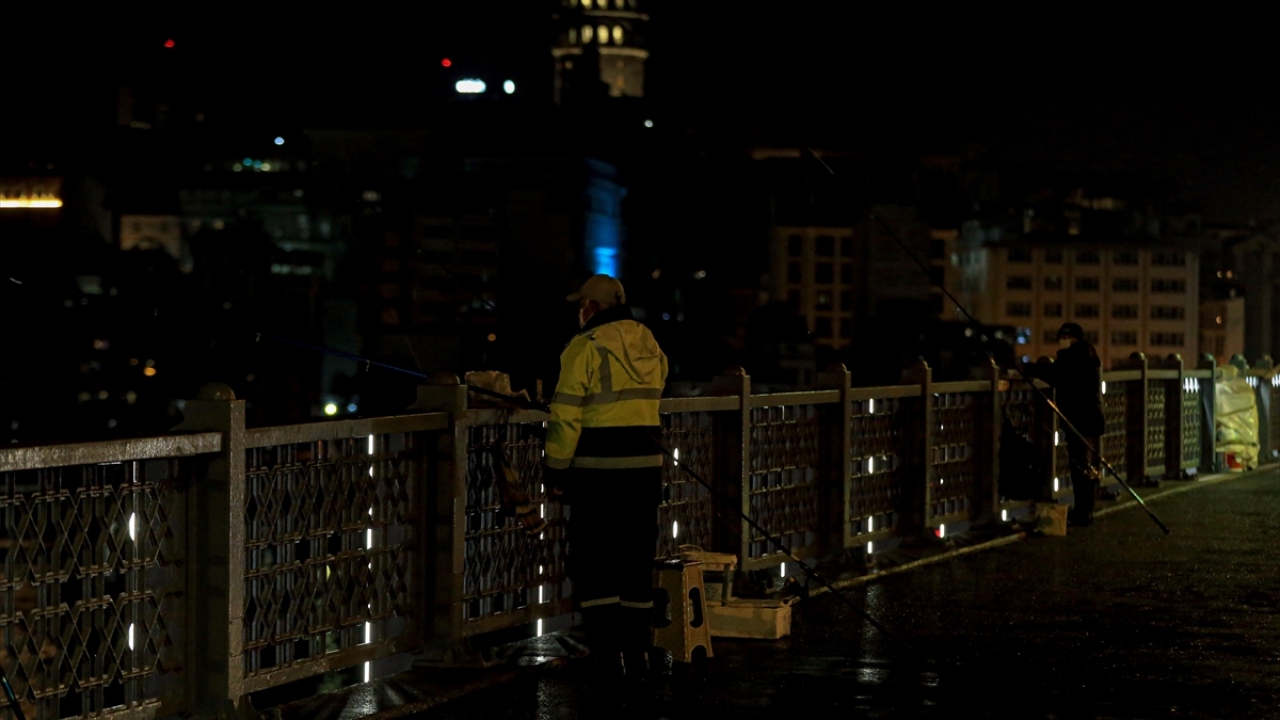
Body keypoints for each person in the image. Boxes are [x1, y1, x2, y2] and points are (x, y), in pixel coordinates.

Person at [542, 274, 669, 675]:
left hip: (598, 471)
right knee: (636, 559)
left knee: (595, 560)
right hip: (645, 468)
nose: (579, 312)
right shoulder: (649, 341)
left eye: (581, 305)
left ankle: (606, 654)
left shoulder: (585, 346)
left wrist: (555, 469)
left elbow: (566, 415)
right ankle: (638, 650)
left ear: (592, 307)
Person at [1030, 322, 1105, 526]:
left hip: (1081, 418)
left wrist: (1029, 369)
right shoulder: (1085, 355)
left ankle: (1083, 511)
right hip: (1087, 417)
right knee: (1083, 465)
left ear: (1076, 339)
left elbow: (1058, 375)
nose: (1063, 340)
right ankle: (1084, 509)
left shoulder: (1075, 357)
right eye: (1061, 337)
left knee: (1081, 466)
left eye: (1067, 337)